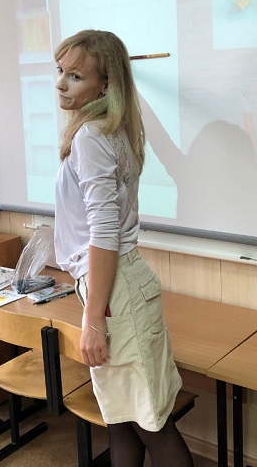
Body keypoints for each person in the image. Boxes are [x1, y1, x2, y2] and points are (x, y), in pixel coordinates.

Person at [53, 30, 194, 466]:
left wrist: (94, 319)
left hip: (115, 292)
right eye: (60, 71)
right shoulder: (111, 129)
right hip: (117, 285)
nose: (61, 83)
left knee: (151, 425)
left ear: (105, 84)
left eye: (75, 76)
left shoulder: (91, 137)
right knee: (121, 419)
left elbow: (104, 232)